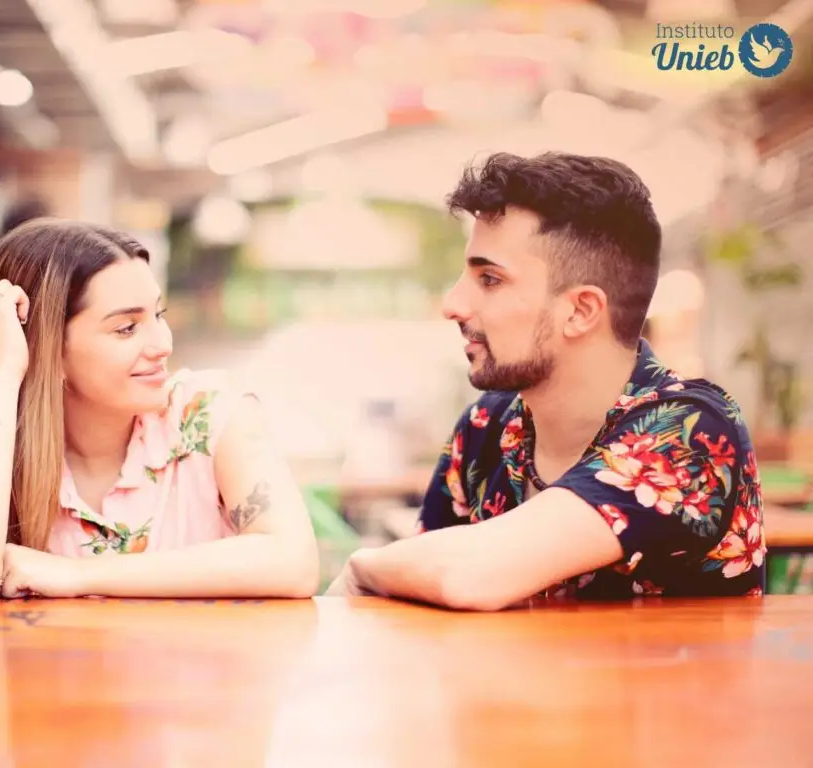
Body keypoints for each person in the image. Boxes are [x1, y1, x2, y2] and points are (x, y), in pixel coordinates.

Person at [327, 152, 764, 608]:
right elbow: (415, 586)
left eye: (489, 279)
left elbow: (468, 573)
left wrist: (361, 568)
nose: (453, 304)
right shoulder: (485, 427)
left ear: (580, 311)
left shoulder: (693, 429)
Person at [0, 219, 319, 603]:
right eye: (127, 328)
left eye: (158, 315)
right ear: (50, 351)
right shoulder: (2, 455)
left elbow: (294, 562)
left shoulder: (209, 412)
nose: (163, 345)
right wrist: (2, 371)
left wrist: (76, 575)